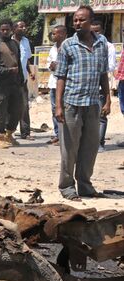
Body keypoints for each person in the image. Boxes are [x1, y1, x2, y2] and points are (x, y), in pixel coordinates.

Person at [54, 5, 110, 200]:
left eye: (81, 20)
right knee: (69, 150)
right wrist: (59, 106)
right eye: (75, 20)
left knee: (89, 149)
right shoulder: (68, 45)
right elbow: (60, 76)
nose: (77, 23)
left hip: (93, 104)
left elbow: (103, 73)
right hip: (72, 104)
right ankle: (67, 187)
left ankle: (85, 186)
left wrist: (108, 100)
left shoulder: (101, 43)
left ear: (91, 22)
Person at [0, 19, 25, 149]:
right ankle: (0, 136)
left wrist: (21, 78)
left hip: (15, 84)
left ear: (11, 30)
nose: (5, 32)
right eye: (2, 30)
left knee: (17, 110)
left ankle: (9, 134)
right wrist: (7, 71)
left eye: (7, 29)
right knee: (1, 111)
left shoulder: (15, 44)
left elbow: (19, 63)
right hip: (2, 84)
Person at [90, 20, 117, 153]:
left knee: (101, 117)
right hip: (86, 89)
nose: (94, 33)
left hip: (100, 87)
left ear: (102, 32)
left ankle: (99, 144)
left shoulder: (108, 46)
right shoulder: (84, 44)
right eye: (92, 31)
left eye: (97, 31)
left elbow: (111, 67)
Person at [13, 20, 35, 140]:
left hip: (23, 80)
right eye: (21, 26)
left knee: (24, 106)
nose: (24, 28)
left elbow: (26, 60)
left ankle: (25, 132)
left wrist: (30, 72)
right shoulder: (9, 42)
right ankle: (7, 133)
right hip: (10, 80)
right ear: (14, 28)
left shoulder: (26, 42)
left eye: (24, 26)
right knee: (10, 106)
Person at [46, 25, 67, 145]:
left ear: (63, 34)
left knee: (64, 109)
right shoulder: (53, 48)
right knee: (54, 109)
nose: (53, 36)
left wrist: (58, 66)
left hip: (64, 84)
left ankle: (64, 135)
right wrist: (51, 66)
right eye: (52, 34)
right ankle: (57, 134)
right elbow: (49, 63)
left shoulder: (68, 47)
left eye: (55, 34)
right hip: (53, 83)